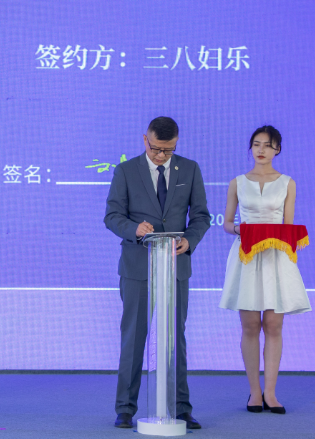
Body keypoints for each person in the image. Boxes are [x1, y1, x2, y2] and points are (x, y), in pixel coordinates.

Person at [104, 117, 211, 430]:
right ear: (144, 139)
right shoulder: (125, 171)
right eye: (156, 149)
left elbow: (201, 216)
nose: (162, 155)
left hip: (175, 269)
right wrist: (134, 229)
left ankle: (182, 409)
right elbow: (112, 216)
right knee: (134, 338)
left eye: (168, 150)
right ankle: (125, 409)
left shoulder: (189, 169)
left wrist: (189, 240)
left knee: (176, 339)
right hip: (138, 267)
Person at [219, 125, 311, 415]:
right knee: (250, 326)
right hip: (246, 255)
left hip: (275, 256)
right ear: (251, 148)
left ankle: (271, 393)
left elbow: (288, 225)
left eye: (268, 145)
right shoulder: (237, 182)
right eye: (256, 144)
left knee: (273, 325)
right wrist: (239, 229)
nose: (261, 150)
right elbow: (227, 223)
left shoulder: (287, 183)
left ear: (277, 149)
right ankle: (254, 392)